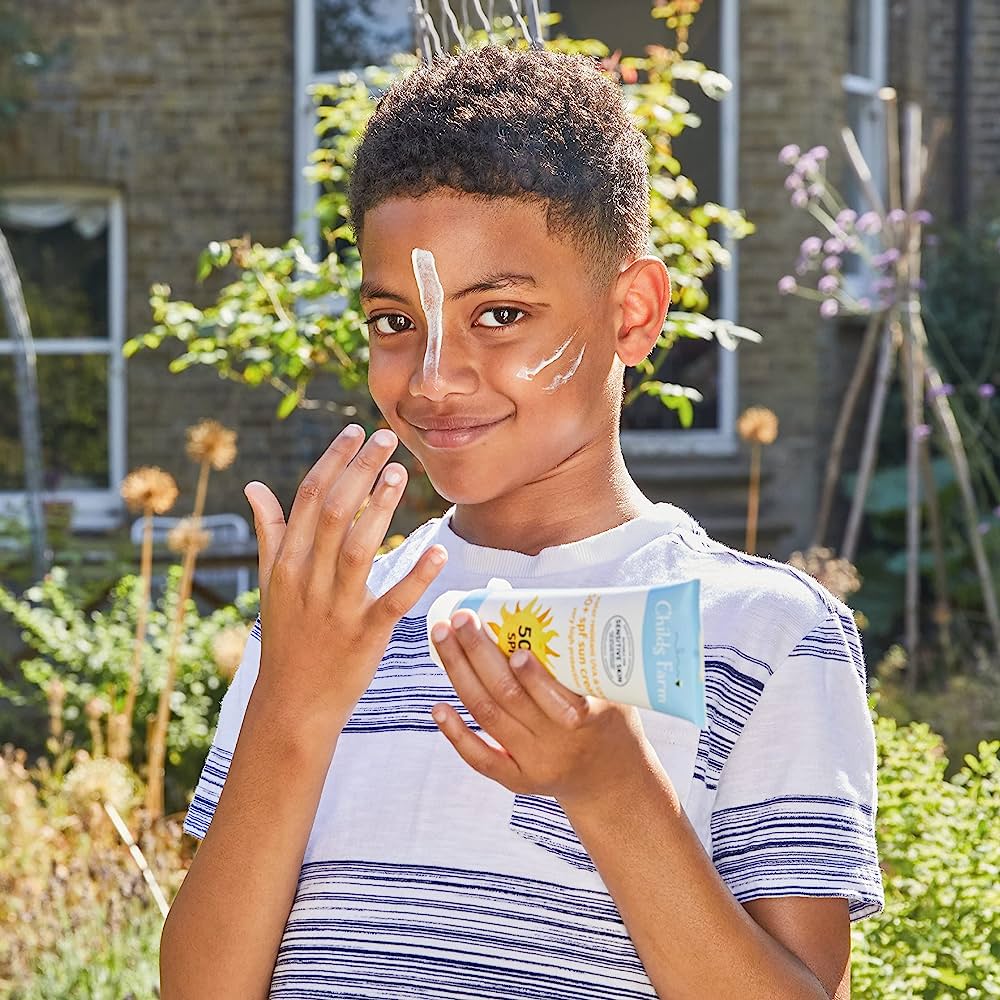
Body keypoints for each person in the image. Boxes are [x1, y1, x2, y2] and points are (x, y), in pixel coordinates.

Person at [160, 45, 883, 999]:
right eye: (393, 321)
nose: (433, 376)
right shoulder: (328, 623)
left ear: (631, 312)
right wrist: (292, 703)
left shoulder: (762, 631)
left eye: (499, 315)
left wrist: (612, 789)